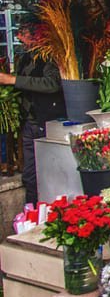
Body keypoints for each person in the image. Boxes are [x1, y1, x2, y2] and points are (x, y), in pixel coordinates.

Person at [0, 49, 65, 205]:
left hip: (46, 121)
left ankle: (50, 210)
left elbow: (53, 84)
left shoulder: (49, 57)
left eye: (23, 31)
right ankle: (32, 212)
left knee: (49, 173)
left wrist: (12, 80)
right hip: (29, 123)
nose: (18, 36)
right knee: (30, 175)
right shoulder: (23, 57)